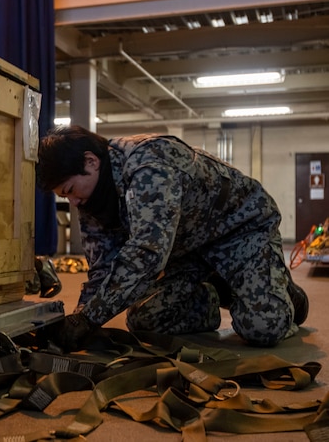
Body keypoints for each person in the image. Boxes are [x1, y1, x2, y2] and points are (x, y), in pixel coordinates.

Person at [36, 125, 309, 350]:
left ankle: (284, 291)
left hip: (238, 230)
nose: (71, 202)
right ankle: (216, 291)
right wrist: (79, 317)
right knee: (146, 319)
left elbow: (147, 253)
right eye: (64, 195)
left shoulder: (147, 165)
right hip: (184, 249)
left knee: (262, 327)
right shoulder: (90, 200)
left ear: (91, 162)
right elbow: (102, 271)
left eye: (70, 189)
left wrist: (90, 318)